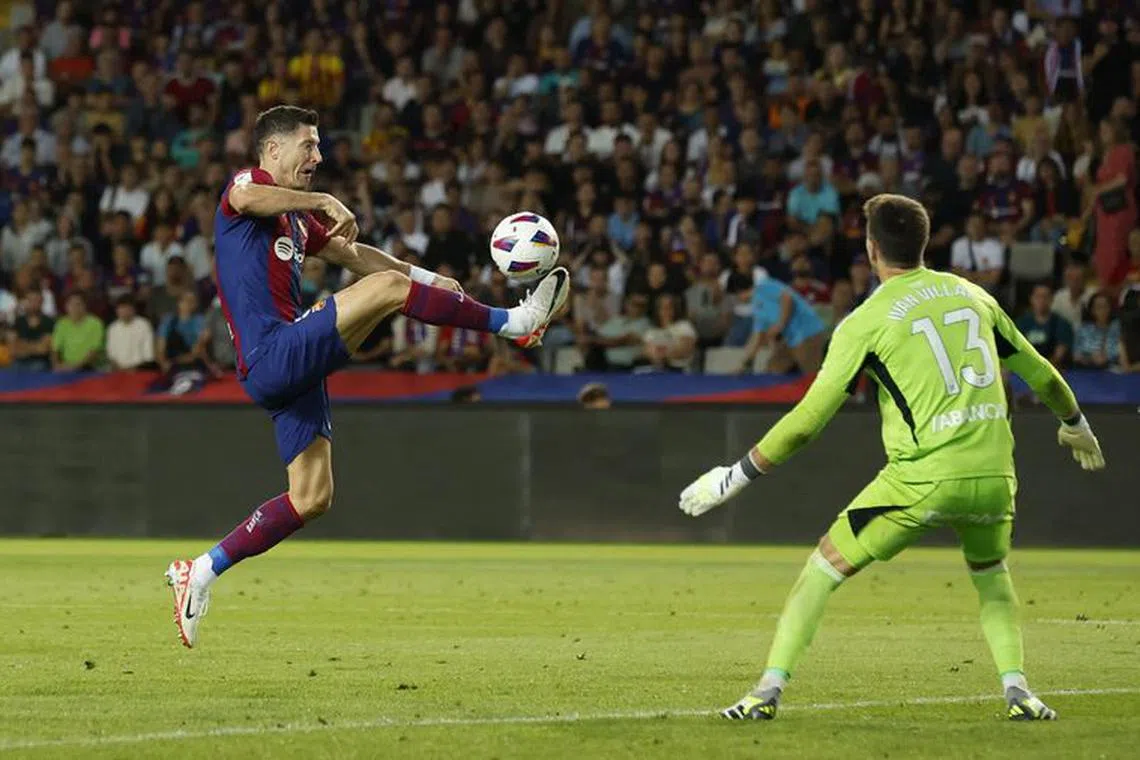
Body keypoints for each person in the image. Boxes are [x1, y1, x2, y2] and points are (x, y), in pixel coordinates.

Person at [679, 194, 1105, 723]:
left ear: (871, 249)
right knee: (992, 574)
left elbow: (810, 419)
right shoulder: (974, 296)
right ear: (924, 244)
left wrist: (734, 476)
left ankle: (766, 691)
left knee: (821, 569)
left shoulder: (867, 320)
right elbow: (1040, 372)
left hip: (923, 479)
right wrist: (1075, 424)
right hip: (996, 477)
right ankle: (1018, 689)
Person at [165, 106, 570, 648]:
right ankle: (515, 324)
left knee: (311, 497)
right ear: (273, 151)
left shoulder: (294, 221)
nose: (318, 156)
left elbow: (356, 257)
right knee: (385, 297)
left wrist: (430, 278)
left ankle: (201, 571)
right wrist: (324, 200)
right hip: (272, 354)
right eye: (308, 145)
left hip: (290, 367)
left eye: (318, 146)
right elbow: (245, 197)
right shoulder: (248, 189)